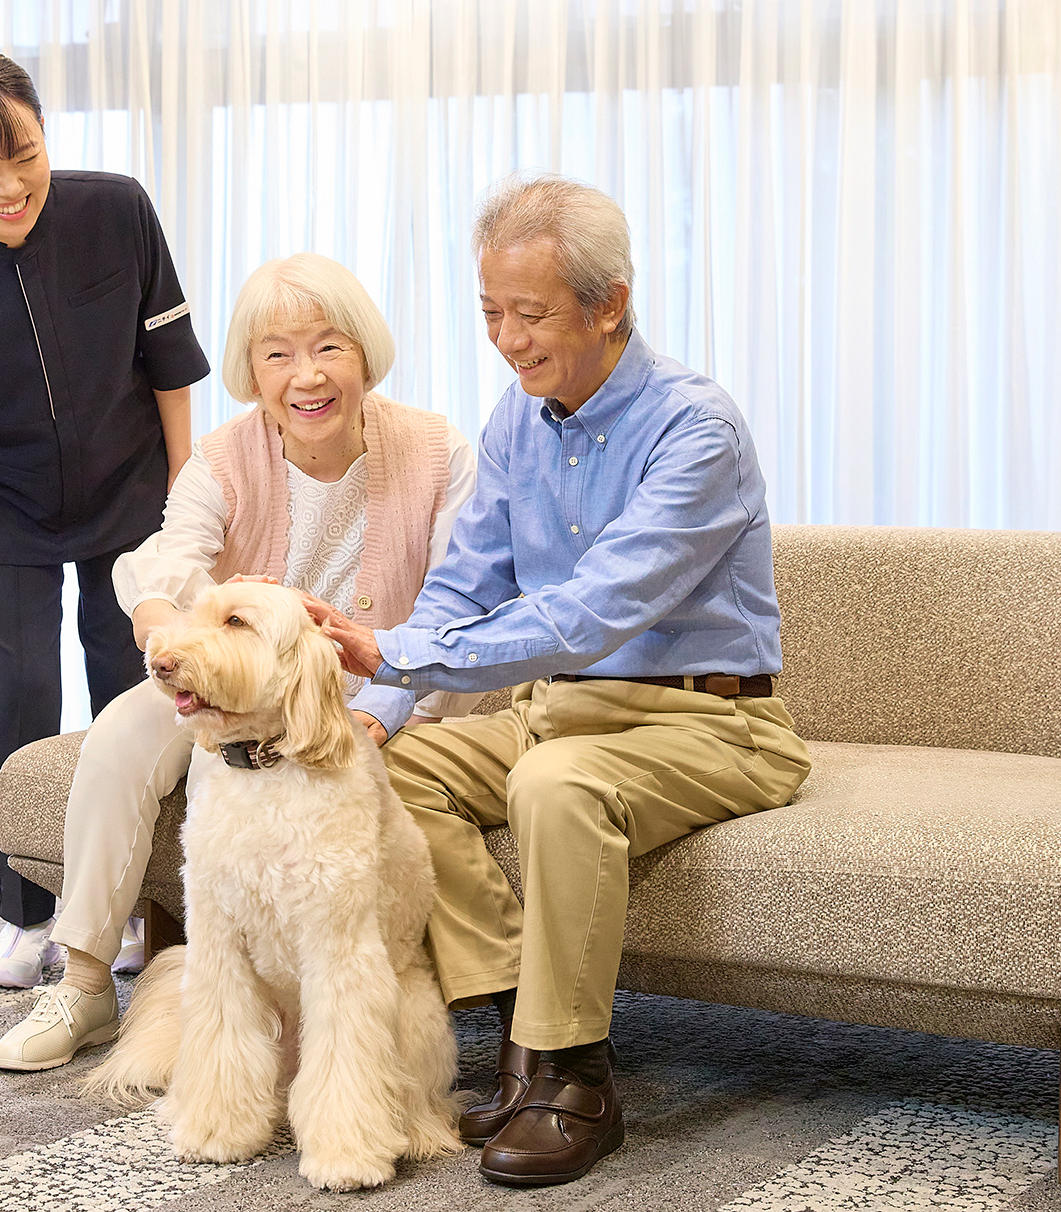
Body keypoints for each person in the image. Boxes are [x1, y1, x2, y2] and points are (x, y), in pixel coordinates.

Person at [309, 175, 812, 1188]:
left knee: (557, 782)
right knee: (396, 770)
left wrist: (396, 651)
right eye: (491, 312)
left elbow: (592, 610)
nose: (506, 337)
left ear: (609, 304)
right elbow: (461, 583)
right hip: (558, 713)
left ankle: (578, 1080)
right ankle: (522, 1038)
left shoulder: (693, 430)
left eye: (529, 315)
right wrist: (378, 709)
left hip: (709, 725)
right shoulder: (517, 420)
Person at [0, 252, 480, 1071]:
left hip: (395, 690)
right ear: (250, 371)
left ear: (365, 353)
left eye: (329, 346)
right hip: (238, 688)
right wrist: (159, 617)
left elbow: (461, 601)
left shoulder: (439, 452)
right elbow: (170, 557)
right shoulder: (222, 458)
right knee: (120, 734)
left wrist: (377, 711)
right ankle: (83, 982)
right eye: (276, 353)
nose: (305, 375)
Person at [0, 50, 210, 989]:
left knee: (133, 687)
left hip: (130, 492)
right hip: (5, 507)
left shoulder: (117, 209)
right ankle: (27, 913)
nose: (12, 186)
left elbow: (171, 365)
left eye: (25, 153)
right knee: (22, 693)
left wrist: (187, 507)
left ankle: (144, 905)